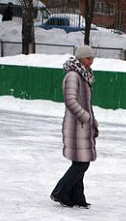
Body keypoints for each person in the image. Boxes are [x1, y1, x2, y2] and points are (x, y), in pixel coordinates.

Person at [51, 45, 98, 208]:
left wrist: (93, 122)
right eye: (88, 58)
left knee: (80, 162)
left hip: (83, 126)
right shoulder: (73, 76)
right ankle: (60, 191)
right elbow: (70, 100)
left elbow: (87, 103)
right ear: (80, 58)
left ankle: (77, 197)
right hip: (76, 126)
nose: (91, 61)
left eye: (92, 58)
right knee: (81, 163)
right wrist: (85, 117)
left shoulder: (84, 75)